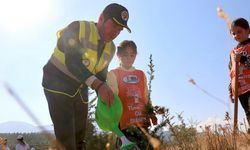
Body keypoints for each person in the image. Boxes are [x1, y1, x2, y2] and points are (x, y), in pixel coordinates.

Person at [42, 3, 131, 150]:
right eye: (114, 26)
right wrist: (99, 86)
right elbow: (72, 62)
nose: (116, 32)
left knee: (79, 138)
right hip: (57, 83)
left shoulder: (111, 48)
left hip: (81, 88)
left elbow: (100, 76)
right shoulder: (78, 28)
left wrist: (106, 95)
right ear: (101, 18)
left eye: (120, 30)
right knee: (66, 138)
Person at [106, 40, 157, 149]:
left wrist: (151, 112)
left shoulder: (141, 74)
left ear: (136, 56)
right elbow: (112, 98)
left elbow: (146, 95)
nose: (129, 58)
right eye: (125, 55)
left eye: (132, 55)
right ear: (118, 55)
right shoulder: (113, 74)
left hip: (142, 123)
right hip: (123, 124)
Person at [228, 18, 250, 132]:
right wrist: (231, 88)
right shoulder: (232, 52)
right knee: (248, 112)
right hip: (240, 89)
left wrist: (243, 59)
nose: (236, 35)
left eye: (239, 31)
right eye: (233, 33)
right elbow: (231, 71)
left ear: (248, 31)